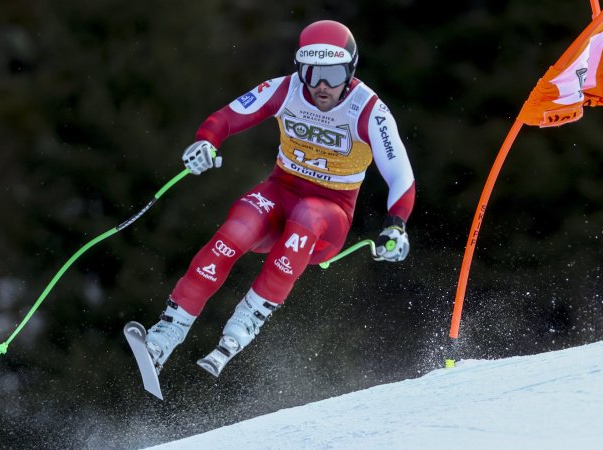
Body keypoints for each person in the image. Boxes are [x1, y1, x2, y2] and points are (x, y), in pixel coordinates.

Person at [143, 19, 416, 377]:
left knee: (306, 215)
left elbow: (401, 175)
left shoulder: (368, 110)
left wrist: (396, 226)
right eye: (311, 72)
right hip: (280, 193)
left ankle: (243, 326)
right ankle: (166, 334)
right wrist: (206, 143)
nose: (320, 86)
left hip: (328, 218)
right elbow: (226, 118)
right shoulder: (286, 90)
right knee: (239, 225)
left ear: (350, 71)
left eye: (333, 75)